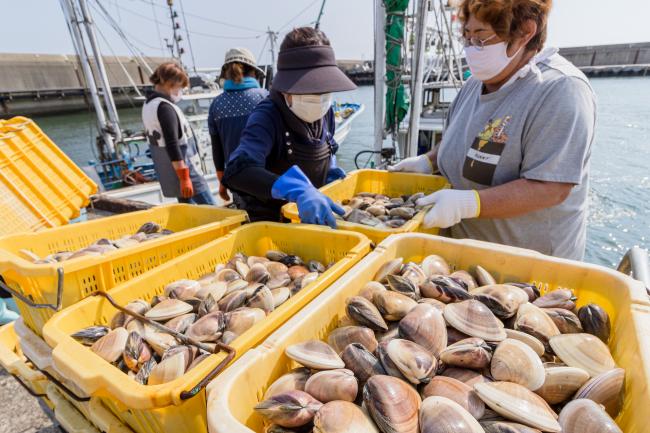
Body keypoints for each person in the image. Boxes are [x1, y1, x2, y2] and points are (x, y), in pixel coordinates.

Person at [389, 0, 596, 260]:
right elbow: (464, 138)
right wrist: (427, 161)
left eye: (482, 37)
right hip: (461, 260)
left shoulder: (561, 90)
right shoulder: (473, 85)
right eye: (467, 36)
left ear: (525, 32)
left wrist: (469, 203)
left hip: (527, 271)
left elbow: (551, 187)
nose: (472, 48)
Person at [222, 27, 355, 225]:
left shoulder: (326, 112)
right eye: (309, 90)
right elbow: (236, 171)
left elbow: (329, 145)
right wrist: (297, 189)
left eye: (324, 91)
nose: (318, 99)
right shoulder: (266, 116)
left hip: (310, 212)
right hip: (270, 218)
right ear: (285, 90)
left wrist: (331, 170)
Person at [142, 62, 216, 205]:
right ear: (171, 83)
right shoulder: (165, 108)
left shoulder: (149, 105)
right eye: (180, 86)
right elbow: (172, 143)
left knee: (190, 213)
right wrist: (184, 178)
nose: (181, 91)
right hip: (187, 172)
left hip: (170, 173)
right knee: (213, 211)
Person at [208, 48, 268, 204]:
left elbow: (217, 150)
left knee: (247, 222)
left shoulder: (216, 105)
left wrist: (222, 183)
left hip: (237, 180)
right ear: (253, 72)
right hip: (269, 178)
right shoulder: (265, 97)